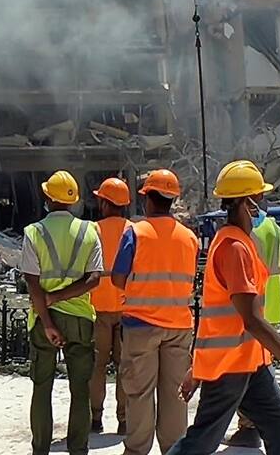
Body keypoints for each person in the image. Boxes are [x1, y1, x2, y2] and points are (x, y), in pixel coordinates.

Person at [166, 160, 280, 455]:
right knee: (202, 441)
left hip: (249, 361)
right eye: (259, 197)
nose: (262, 204)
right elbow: (250, 320)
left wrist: (195, 369)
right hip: (231, 364)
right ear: (246, 202)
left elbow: (213, 318)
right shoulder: (233, 248)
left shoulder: (238, 241)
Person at [111, 169, 198, 455]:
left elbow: (118, 278)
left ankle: (137, 450)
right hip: (179, 325)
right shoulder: (189, 238)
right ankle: (174, 449)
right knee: (175, 395)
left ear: (148, 198)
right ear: (172, 200)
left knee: (139, 393)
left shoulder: (135, 232)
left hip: (141, 325)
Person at [20, 170, 102, 455]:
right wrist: (62, 296)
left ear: (47, 198)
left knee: (42, 387)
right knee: (80, 390)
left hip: (44, 319)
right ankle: (78, 450)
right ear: (73, 201)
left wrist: (48, 319)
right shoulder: (90, 231)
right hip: (80, 319)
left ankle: (40, 450)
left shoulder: (34, 232)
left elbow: (31, 282)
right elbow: (93, 280)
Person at [224, 191, 280, 449]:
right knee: (261, 366)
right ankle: (257, 424)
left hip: (252, 304)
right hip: (272, 300)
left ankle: (248, 426)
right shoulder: (275, 229)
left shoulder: (247, 233)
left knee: (245, 366)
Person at [88, 177, 131, 435]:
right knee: (125, 368)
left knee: (97, 367)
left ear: (105, 203)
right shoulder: (133, 230)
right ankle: (124, 420)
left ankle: (96, 419)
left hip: (98, 309)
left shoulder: (93, 229)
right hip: (126, 310)